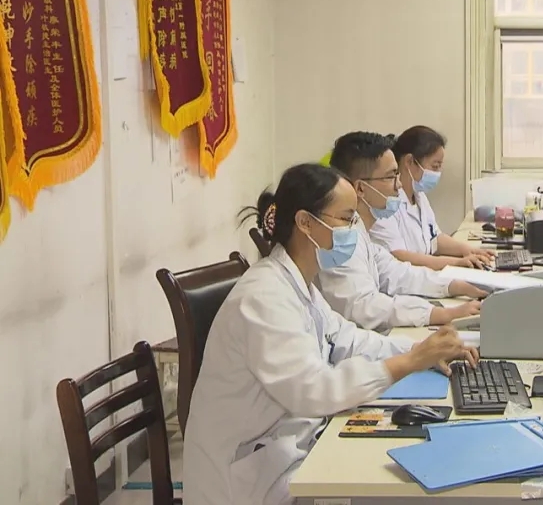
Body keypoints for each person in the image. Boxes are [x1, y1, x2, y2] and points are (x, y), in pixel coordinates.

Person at [183, 163, 477, 505]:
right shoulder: (263, 297)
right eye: (347, 219)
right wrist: (408, 362)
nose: (354, 230)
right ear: (305, 223)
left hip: (287, 446)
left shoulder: (296, 283)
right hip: (248, 479)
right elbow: (316, 390)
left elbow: (346, 338)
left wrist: (419, 350)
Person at [320, 131, 488, 333]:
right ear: (361, 189)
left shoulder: (360, 232)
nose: (398, 185)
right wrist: (440, 314)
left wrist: (455, 285)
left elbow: (400, 274)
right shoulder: (340, 242)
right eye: (391, 176)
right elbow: (364, 307)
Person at [370, 125, 495, 269]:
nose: (438, 173)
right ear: (409, 161)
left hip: (424, 275)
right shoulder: (386, 204)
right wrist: (456, 262)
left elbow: (434, 239)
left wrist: (467, 250)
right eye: (435, 166)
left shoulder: (419, 197)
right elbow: (398, 255)